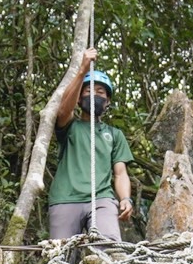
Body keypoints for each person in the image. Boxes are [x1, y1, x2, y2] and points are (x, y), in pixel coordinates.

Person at [47, 48, 135, 242]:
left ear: (108, 101)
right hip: (65, 198)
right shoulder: (70, 127)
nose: (94, 95)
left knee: (108, 250)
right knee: (61, 258)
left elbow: (120, 173)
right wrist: (82, 70)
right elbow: (62, 111)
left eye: (100, 92)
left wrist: (125, 198)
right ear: (79, 98)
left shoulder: (114, 135)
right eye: (88, 91)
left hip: (101, 199)